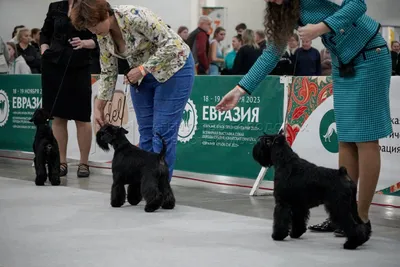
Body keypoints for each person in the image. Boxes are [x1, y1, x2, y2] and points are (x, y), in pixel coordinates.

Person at [216, 0, 392, 237]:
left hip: (370, 56)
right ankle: (343, 215)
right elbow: (272, 53)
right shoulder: (282, 11)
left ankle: (361, 217)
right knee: (347, 139)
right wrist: (240, 90)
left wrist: (321, 28)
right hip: (344, 64)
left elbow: (358, 4)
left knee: (366, 138)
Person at [70, 0, 195, 182]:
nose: (92, 31)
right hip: (141, 76)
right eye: (88, 28)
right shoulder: (102, 35)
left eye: (93, 25)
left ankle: (160, 189)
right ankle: (142, 186)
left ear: (105, 14)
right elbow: (108, 71)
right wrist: (99, 106)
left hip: (174, 70)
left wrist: (143, 69)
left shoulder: (136, 16)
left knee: (161, 133)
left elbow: (173, 44)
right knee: (145, 134)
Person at [40, 0, 98, 178]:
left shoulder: (92, 5)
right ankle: (61, 162)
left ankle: (84, 163)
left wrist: (87, 43)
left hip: (79, 66)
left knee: (82, 117)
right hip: (54, 64)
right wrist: (44, 50)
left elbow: (100, 37)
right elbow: (45, 33)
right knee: (58, 116)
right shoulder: (55, 6)